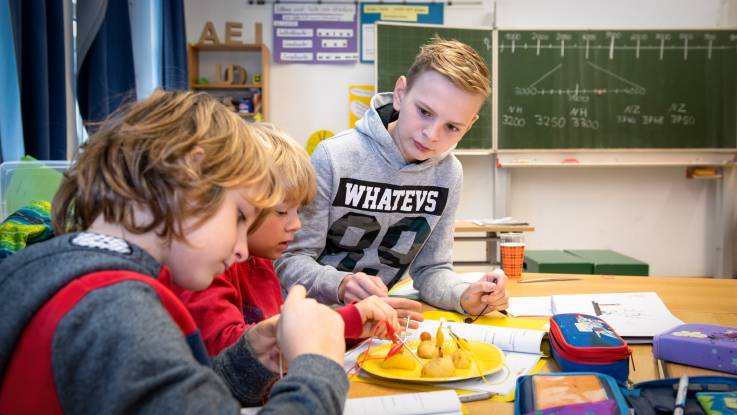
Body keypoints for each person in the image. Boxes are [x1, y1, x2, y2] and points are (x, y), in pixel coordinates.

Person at [0, 90, 348, 414]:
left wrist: (248, 358)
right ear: (189, 181)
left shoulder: (59, 271)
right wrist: (318, 369)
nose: (241, 250)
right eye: (240, 216)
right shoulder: (117, 311)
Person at [275, 37, 509, 317]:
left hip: (381, 321)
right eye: (424, 112)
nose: (432, 135)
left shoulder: (448, 173)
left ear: (469, 126)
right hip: (313, 317)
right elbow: (290, 260)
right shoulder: (333, 157)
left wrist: (462, 293)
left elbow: (432, 270)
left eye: (452, 127)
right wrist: (341, 284)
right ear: (400, 94)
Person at [160, 124, 424, 357]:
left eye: (298, 211)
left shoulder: (263, 260)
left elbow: (284, 339)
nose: (296, 225)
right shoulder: (207, 267)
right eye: (282, 212)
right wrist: (346, 321)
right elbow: (229, 349)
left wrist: (357, 326)